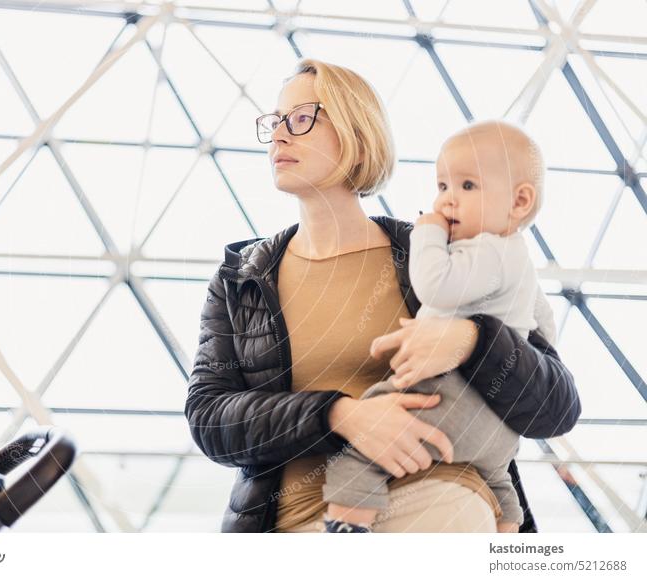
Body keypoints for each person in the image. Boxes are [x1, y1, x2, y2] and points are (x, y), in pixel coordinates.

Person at [183, 58, 581, 533]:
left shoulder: (449, 251)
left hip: (434, 499)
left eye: (301, 118)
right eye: (274, 122)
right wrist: (340, 415)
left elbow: (555, 405)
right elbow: (210, 418)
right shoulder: (241, 278)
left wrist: (473, 341)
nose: (280, 136)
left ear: (356, 132)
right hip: (285, 525)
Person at [322, 121, 560, 534]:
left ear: (520, 202)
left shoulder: (488, 250)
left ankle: (346, 529)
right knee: (498, 480)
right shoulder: (515, 260)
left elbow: (434, 283)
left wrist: (427, 233)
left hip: (451, 396)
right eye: (443, 185)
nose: (447, 200)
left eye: (467, 186)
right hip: (495, 428)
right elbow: (546, 330)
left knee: (364, 444)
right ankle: (509, 533)